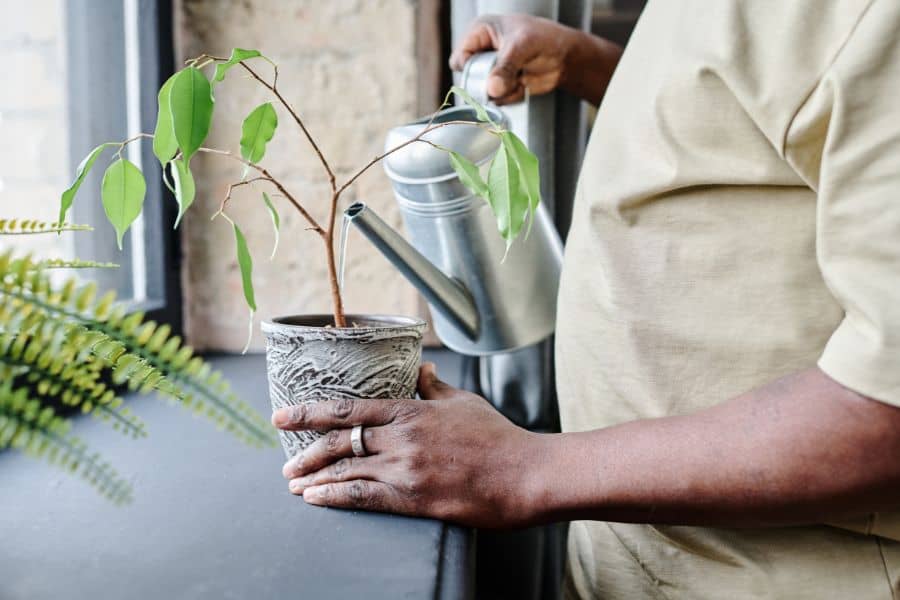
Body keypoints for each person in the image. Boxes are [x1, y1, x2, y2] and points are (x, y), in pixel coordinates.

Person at [273, 2, 900, 597]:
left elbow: (884, 414)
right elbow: (765, 107)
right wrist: (595, 66)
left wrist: (523, 471)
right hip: (639, 566)